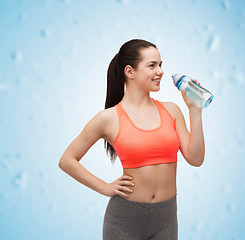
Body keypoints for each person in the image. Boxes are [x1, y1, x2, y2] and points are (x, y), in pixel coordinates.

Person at [58, 39, 205, 240]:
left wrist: (195, 110)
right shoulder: (108, 118)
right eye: (152, 65)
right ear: (130, 71)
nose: (160, 71)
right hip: (124, 220)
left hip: (166, 219)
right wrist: (104, 187)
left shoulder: (172, 110)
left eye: (161, 64)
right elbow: (67, 160)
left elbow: (196, 159)